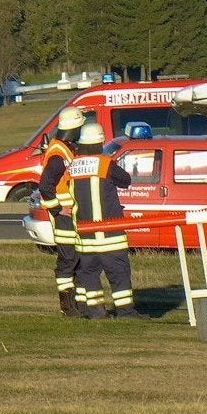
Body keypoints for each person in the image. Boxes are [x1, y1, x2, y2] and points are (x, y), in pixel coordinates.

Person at [68, 121, 143, 319]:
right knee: (118, 275)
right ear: (100, 142)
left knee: (89, 275)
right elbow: (125, 180)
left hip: (85, 236)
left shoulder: (73, 166)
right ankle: (125, 312)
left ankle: (95, 312)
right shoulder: (104, 163)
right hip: (110, 235)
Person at [37, 105, 86, 316]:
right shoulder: (59, 154)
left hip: (70, 217)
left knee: (76, 259)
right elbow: (45, 186)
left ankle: (77, 304)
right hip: (64, 219)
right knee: (68, 261)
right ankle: (67, 306)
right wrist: (57, 208)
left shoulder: (64, 149)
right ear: (74, 128)